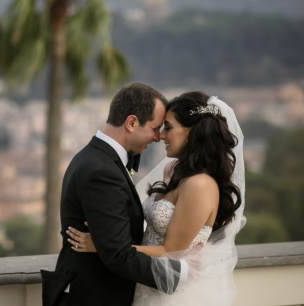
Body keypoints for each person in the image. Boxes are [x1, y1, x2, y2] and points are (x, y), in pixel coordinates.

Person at [65, 92, 246, 305]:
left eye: (168, 127)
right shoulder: (172, 170)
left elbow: (170, 251)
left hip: (172, 293)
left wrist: (104, 245)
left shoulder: (200, 185)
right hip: (145, 284)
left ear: (193, 132)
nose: (160, 136)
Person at [42, 82, 185, 306]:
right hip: (94, 296)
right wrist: (180, 275)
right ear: (131, 123)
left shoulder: (94, 157)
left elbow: (111, 240)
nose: (158, 137)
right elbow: (118, 255)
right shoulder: (102, 170)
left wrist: (103, 241)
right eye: (155, 128)